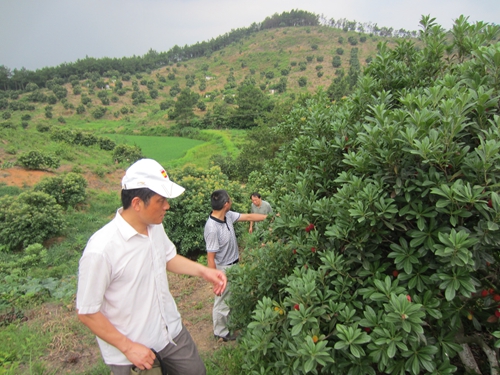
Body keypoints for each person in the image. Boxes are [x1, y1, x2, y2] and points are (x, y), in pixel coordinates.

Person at [76, 158, 227, 375]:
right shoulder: (101, 250)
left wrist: (205, 271)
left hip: (170, 332)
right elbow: (87, 311)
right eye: (161, 200)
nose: (167, 206)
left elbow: (168, 258)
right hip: (132, 350)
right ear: (137, 203)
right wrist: (129, 347)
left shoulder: (154, 226)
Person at [204, 189, 268, 341]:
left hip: (234, 264)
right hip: (223, 268)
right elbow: (210, 258)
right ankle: (220, 332)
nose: (231, 202)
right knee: (222, 301)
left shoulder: (228, 216)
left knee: (230, 297)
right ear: (226, 204)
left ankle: (229, 325)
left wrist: (270, 217)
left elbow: (249, 216)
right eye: (230, 200)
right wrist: (216, 279)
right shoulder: (212, 228)